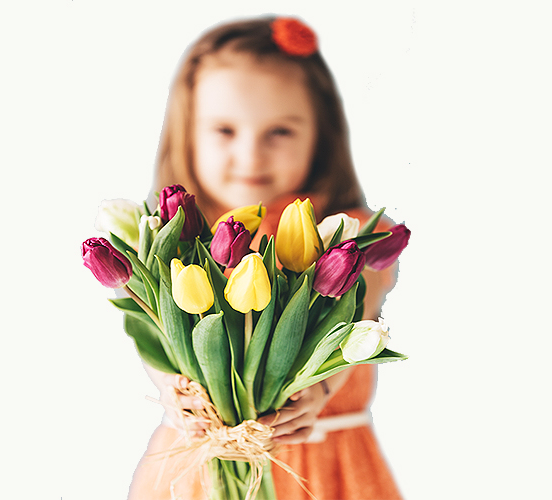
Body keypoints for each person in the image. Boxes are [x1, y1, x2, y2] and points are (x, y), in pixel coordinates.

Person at [127, 16, 405, 500]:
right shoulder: (175, 239)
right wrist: (174, 390)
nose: (251, 155)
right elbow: (157, 331)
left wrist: (317, 391)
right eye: (225, 130)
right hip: (202, 460)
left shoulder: (348, 232)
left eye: (280, 131)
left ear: (320, 134)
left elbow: (357, 310)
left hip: (321, 463)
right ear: (186, 133)